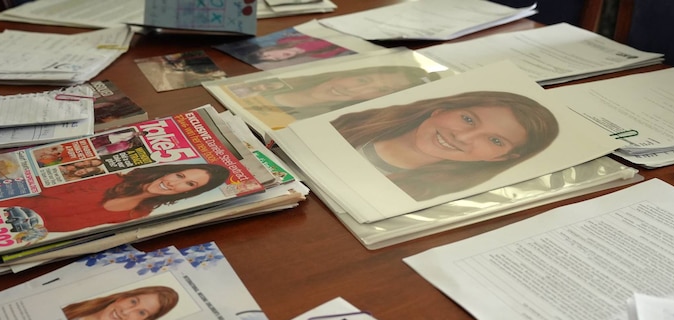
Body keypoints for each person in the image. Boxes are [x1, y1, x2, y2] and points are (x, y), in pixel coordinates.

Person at [331, 91, 560, 201]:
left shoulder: (425, 196)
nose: (464, 137)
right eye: (468, 119)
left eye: (495, 140)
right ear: (441, 109)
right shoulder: (348, 123)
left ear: (500, 158)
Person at [11, 162, 229, 232]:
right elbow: (33, 184)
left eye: (189, 184)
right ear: (168, 171)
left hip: (16, 234)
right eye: (179, 175)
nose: (174, 183)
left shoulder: (139, 214)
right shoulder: (108, 178)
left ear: (190, 192)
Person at [232, 66, 442, 120]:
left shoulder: (315, 122)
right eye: (362, 80)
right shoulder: (257, 84)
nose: (357, 89)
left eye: (381, 90)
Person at [63, 286, 179, 320]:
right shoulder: (72, 302)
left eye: (141, 313)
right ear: (122, 298)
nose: (126, 311)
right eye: (133, 301)